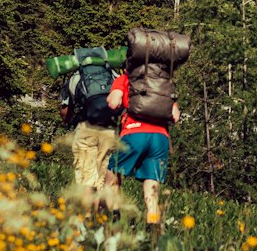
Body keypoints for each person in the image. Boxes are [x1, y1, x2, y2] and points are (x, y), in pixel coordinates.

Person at [103, 69, 180, 228]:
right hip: (160, 137)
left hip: (134, 132)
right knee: (151, 192)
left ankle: (113, 218)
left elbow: (113, 102)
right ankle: (153, 229)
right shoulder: (163, 82)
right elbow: (175, 116)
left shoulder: (125, 78)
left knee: (111, 175)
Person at [60, 65, 119, 208]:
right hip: (109, 131)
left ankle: (87, 219)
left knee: (87, 178)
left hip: (86, 128)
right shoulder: (112, 74)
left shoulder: (75, 78)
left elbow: (65, 111)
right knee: (103, 176)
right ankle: (103, 218)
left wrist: (67, 120)